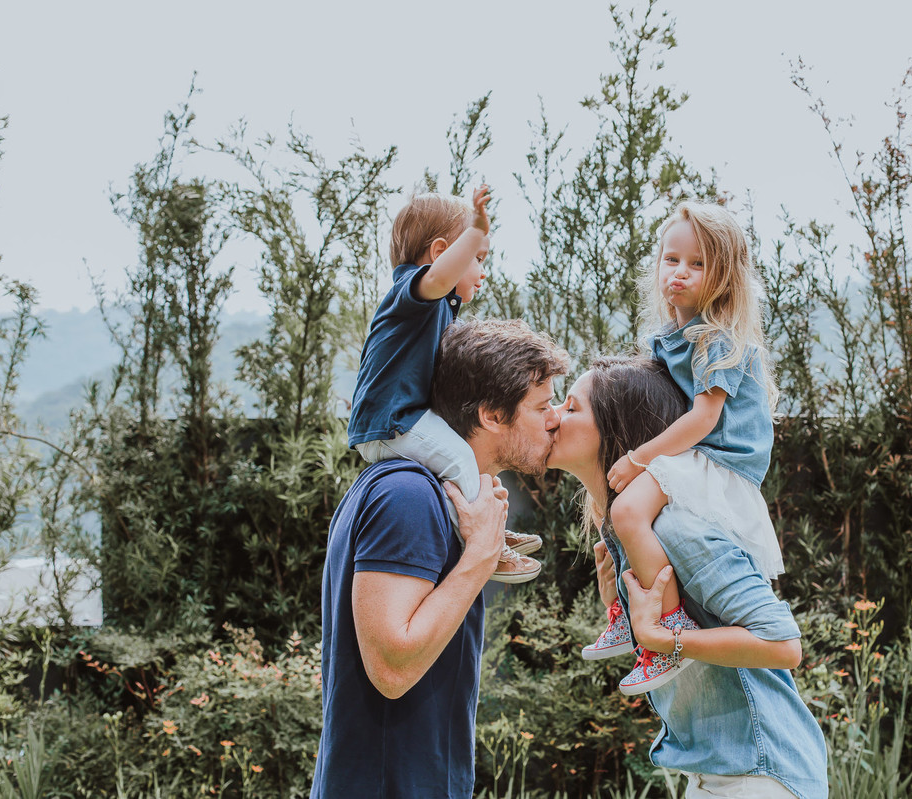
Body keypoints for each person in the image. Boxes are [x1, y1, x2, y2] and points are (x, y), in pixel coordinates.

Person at [548, 356, 829, 799]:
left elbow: (782, 645)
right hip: (718, 774)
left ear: (618, 428)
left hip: (759, 774)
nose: (552, 417)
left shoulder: (677, 528)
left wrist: (663, 639)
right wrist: (621, 607)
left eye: (571, 407)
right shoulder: (630, 534)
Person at [311, 319, 569, 799]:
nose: (555, 418)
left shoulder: (428, 495)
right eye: (541, 406)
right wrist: (480, 558)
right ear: (491, 414)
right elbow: (391, 669)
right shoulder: (407, 495)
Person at [588, 200, 785, 693]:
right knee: (616, 513)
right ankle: (627, 613)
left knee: (628, 511)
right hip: (693, 453)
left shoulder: (717, 339)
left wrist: (638, 458)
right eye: (671, 259)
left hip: (719, 459)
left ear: (724, 278)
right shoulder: (667, 337)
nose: (679, 272)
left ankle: (669, 625)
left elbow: (703, 419)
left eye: (698, 264)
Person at [346, 186, 542, 583]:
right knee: (460, 461)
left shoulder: (435, 309)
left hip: (404, 420)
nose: (483, 271)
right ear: (440, 253)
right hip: (391, 423)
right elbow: (437, 278)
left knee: (472, 461)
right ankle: (483, 544)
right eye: (477, 258)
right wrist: (476, 229)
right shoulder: (413, 293)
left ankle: (488, 527)